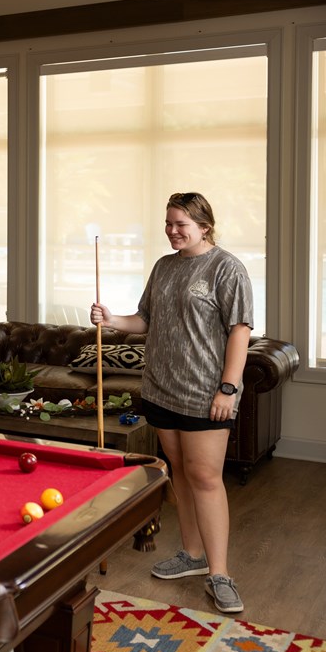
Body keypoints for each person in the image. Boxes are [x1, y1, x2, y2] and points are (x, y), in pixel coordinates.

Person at [90, 192, 253, 614]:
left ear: (204, 225)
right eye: (168, 223)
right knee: (178, 471)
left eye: (181, 223)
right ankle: (191, 554)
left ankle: (220, 574)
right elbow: (145, 320)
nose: (173, 230)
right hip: (161, 387)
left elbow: (239, 331)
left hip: (205, 392)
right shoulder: (164, 267)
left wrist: (228, 388)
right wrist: (111, 319)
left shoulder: (227, 268)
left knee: (205, 477)